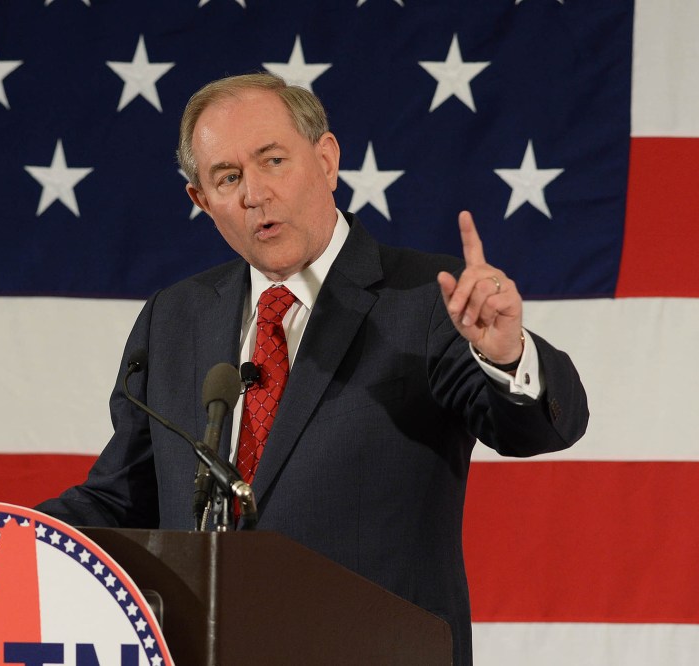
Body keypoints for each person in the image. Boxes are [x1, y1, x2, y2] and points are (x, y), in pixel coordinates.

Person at [37, 72, 589, 665]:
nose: (255, 193)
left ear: (326, 160)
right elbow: (124, 499)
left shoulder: (426, 301)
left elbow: (536, 429)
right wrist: (0, 536)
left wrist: (506, 354)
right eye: (228, 177)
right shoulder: (173, 318)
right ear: (202, 201)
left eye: (273, 161)